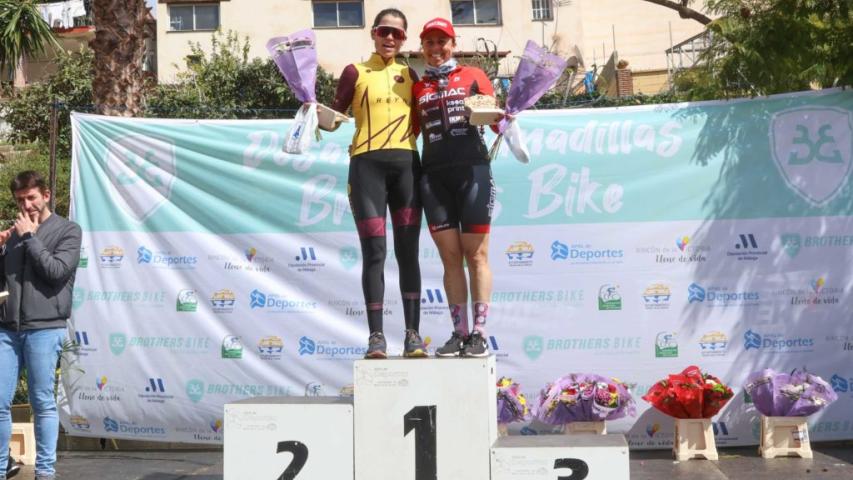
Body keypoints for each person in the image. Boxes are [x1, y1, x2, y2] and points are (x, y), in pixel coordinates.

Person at [328, 8, 425, 358]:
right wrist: (312, 111)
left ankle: (413, 335)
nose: (390, 38)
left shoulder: (411, 74)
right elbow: (333, 119)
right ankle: (376, 337)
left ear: (404, 39)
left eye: (397, 34)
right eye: (384, 31)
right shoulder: (355, 71)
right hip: (366, 169)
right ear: (373, 33)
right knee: (375, 253)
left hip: (406, 168)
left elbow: (422, 121)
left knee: (408, 252)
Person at [413, 18, 501, 358]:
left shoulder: (473, 75)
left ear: (453, 44)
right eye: (430, 42)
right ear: (423, 47)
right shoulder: (418, 87)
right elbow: (409, 130)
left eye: (442, 41)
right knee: (450, 257)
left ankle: (479, 333)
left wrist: (505, 118)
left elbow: (494, 122)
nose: (436, 48)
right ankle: (459, 332)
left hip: (472, 171)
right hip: (433, 177)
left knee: (476, 255)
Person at [0, 171, 82, 480]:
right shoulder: (14, 234)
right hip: (7, 329)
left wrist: (30, 238)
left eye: (32, 198)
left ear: (46, 195)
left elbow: (56, 272)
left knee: (42, 402)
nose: (26, 205)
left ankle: (45, 472)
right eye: (20, 200)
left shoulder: (68, 230)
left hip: (45, 328)